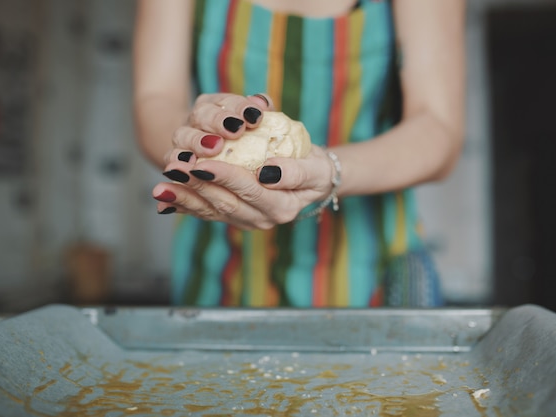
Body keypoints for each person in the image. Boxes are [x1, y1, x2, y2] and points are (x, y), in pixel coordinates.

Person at [132, 0, 465, 307]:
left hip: (370, 271)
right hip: (217, 269)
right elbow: (156, 100)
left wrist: (331, 169)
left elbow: (437, 129)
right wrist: (192, 142)